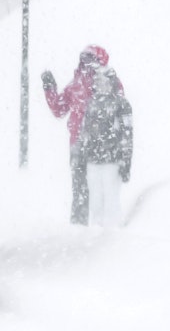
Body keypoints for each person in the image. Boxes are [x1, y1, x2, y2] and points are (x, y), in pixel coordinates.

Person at [42, 45, 124, 225]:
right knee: (80, 187)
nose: (87, 63)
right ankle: (80, 227)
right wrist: (50, 89)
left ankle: (100, 226)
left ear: (101, 61)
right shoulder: (76, 84)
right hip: (79, 143)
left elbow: (120, 108)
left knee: (99, 187)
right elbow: (59, 109)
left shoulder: (108, 82)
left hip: (100, 143)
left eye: (91, 58)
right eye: (84, 58)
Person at [77, 66, 133, 227]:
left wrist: (126, 161)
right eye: (97, 80)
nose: (98, 83)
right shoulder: (92, 103)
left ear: (111, 82)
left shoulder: (121, 104)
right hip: (92, 161)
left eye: (102, 80)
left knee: (111, 200)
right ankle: (96, 236)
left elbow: (127, 134)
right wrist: (82, 155)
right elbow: (85, 131)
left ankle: (113, 236)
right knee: (95, 202)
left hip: (112, 161)